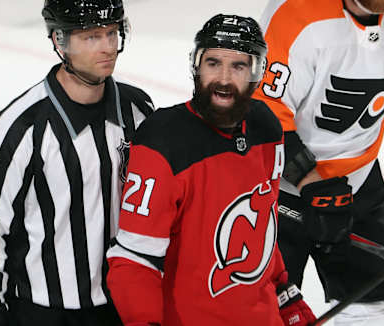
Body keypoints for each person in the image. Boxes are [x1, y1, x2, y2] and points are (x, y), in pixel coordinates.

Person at [106, 14, 316, 326]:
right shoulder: (163, 139)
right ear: (196, 65)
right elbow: (134, 259)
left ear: (256, 72)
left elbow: (261, 231)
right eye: (213, 63)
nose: (223, 79)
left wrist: (286, 297)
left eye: (239, 66)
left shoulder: (266, 128)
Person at [253, 0, 384, 324]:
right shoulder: (295, 14)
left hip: (359, 182)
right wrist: (310, 183)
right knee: (265, 312)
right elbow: (264, 122)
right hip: (274, 190)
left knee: (370, 311)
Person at [0, 0, 154, 325]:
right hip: (44, 312)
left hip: (122, 306)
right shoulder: (20, 128)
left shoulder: (137, 109)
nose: (107, 47)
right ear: (59, 41)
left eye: (111, 33)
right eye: (91, 37)